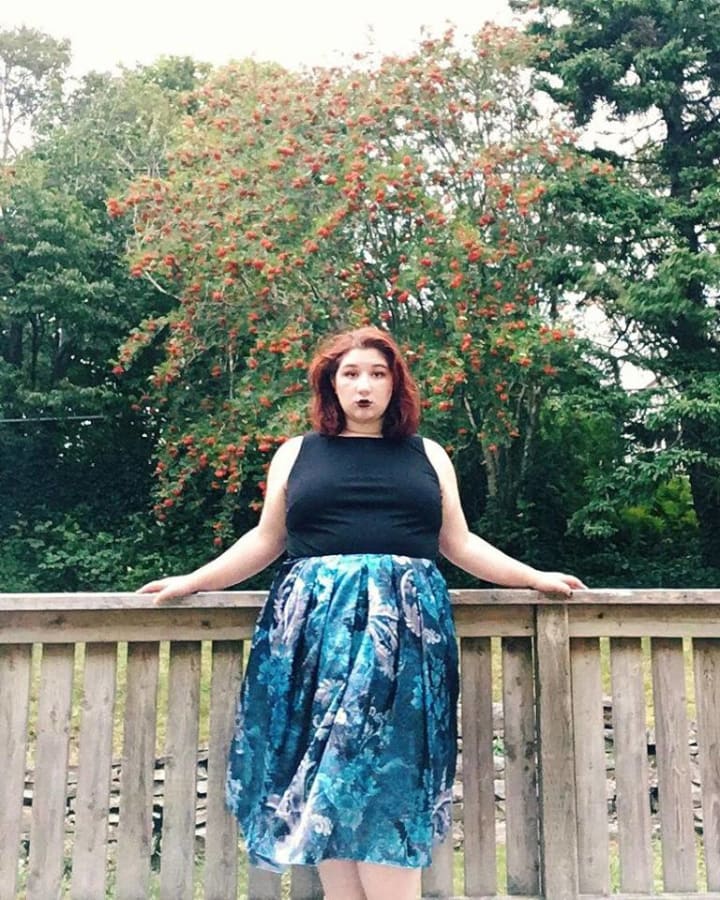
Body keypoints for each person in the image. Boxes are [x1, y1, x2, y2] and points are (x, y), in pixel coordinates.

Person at [138, 326, 586, 900]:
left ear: (396, 384)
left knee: (388, 779)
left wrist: (533, 577)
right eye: (350, 374)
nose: (364, 385)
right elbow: (266, 539)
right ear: (331, 384)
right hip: (314, 644)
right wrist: (194, 581)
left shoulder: (428, 455)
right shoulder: (296, 453)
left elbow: (459, 543)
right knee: (326, 782)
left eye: (377, 373)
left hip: (404, 644)